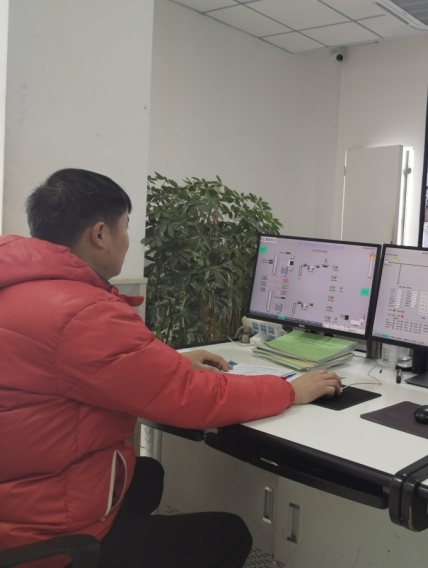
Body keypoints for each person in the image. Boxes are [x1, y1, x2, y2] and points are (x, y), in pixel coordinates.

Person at [0, 168, 342, 568]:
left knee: (147, 475)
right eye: (126, 227)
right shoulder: (82, 311)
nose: (128, 240)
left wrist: (173, 362)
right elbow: (193, 400)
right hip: (45, 533)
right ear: (100, 234)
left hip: (18, 500)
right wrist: (291, 390)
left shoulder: (21, 286)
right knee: (230, 533)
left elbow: (68, 367)